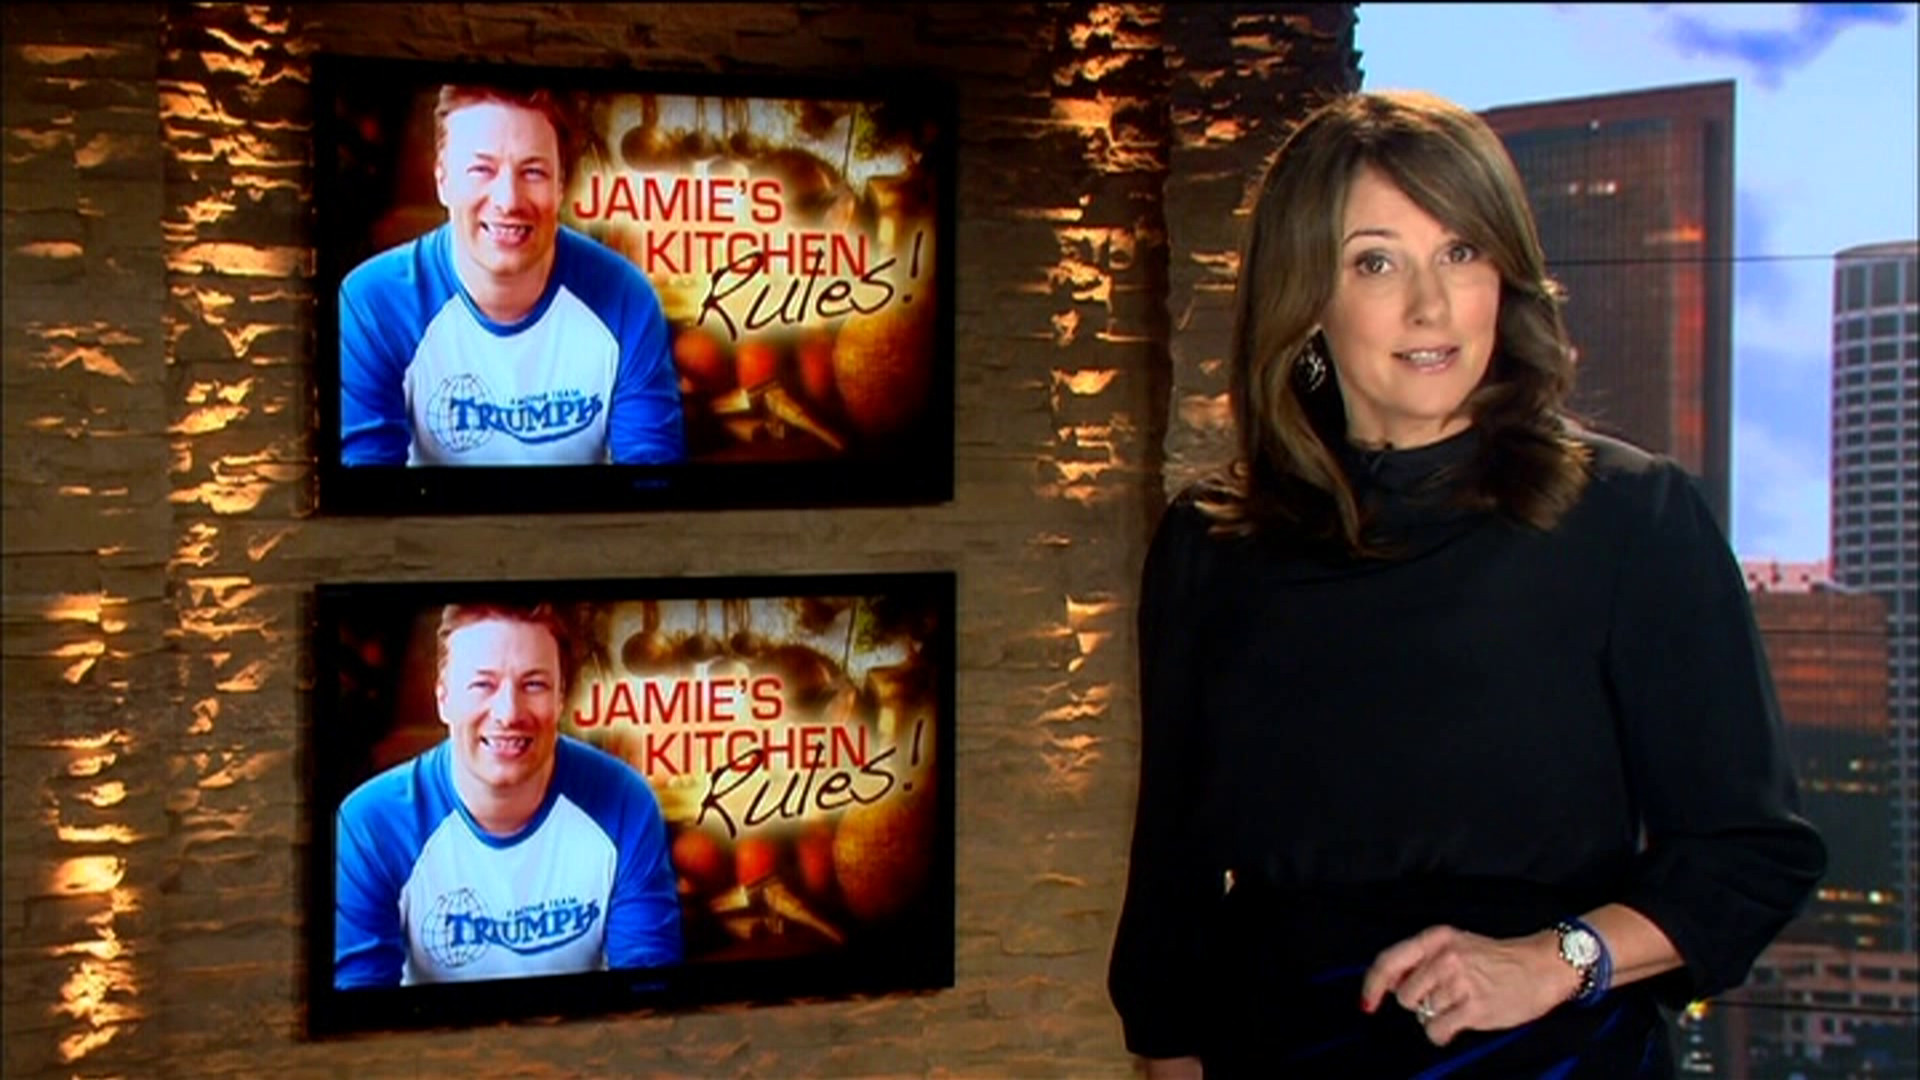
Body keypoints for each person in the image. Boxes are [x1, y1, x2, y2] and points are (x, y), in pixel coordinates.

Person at [1107, 90, 1825, 1079]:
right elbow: (1172, 889)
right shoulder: (1212, 543)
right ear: (1306, 294)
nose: (1430, 308)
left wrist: (1553, 962)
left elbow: (1751, 852)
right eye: (1376, 262)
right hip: (1279, 1053)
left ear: (1506, 278)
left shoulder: (1629, 518)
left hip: (1552, 1058)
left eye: (1461, 252)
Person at [334, 603, 683, 988]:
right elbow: (362, 1008)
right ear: (443, 699)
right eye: (482, 684)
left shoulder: (626, 801)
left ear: (560, 699)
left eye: (534, 684)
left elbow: (649, 991)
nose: (508, 713)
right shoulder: (371, 824)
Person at [338, 85, 684, 466]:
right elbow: (368, 490)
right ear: (442, 179)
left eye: (533, 172)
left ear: (560, 186)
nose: (508, 201)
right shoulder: (372, 304)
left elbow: (651, 479)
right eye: (481, 169)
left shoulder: (627, 297)